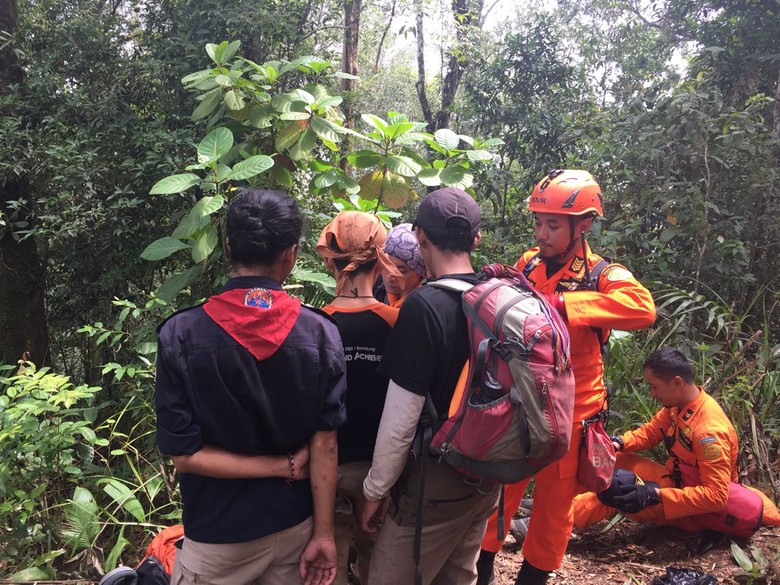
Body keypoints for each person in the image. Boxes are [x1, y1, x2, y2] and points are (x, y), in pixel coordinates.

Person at [155, 189, 347, 585]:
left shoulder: (182, 333)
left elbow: (184, 454)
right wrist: (324, 534)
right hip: (294, 526)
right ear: (291, 255)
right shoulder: (322, 333)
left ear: (227, 246)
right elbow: (325, 446)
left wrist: (279, 468)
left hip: (215, 535)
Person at [476, 169, 657, 585]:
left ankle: (533, 577)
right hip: (520, 401)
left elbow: (642, 308)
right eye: (538, 222)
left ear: (584, 225)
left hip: (574, 414)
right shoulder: (528, 263)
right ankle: (480, 569)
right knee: (500, 494)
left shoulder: (602, 274)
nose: (541, 232)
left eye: (552, 224)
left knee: (554, 512)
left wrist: (562, 304)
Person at [358, 187, 499, 585]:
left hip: (436, 482)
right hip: (487, 475)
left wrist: (374, 492)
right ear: (476, 239)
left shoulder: (424, 306)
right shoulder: (495, 294)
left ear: (419, 236)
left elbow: (400, 419)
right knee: (457, 576)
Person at [571, 348, 780, 543]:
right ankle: (561, 501)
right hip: (675, 480)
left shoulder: (709, 431)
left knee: (619, 489)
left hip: (692, 509)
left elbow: (716, 497)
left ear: (677, 382)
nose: (652, 393)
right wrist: (619, 442)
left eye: (655, 386)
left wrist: (654, 494)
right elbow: (651, 432)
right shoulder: (680, 406)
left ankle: (559, 521)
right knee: (611, 460)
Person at [315, 211, 402, 585]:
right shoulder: (395, 322)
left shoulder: (316, 323)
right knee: (377, 566)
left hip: (325, 469)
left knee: (326, 566)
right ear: (381, 259)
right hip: (379, 470)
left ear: (330, 260)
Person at [380, 222, 427, 307]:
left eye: (401, 271)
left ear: (420, 272)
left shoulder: (423, 307)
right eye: (386, 267)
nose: (391, 276)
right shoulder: (378, 292)